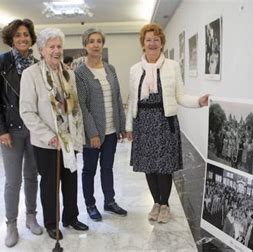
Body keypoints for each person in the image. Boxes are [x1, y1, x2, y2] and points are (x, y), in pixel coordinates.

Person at [126, 23, 209, 223]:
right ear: (143, 44)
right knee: (148, 166)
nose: (152, 43)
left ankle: (165, 205)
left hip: (165, 122)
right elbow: (131, 99)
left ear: (162, 43)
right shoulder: (135, 69)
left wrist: (198, 101)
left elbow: (180, 96)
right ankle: (156, 203)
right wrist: (129, 127)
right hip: (143, 123)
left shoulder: (172, 66)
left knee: (164, 166)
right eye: (148, 40)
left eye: (156, 39)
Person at [20, 27, 89, 240]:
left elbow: (74, 106)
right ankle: (52, 222)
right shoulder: (31, 74)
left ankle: (71, 216)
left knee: (70, 180)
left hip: (69, 139)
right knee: (50, 184)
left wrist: (75, 133)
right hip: (47, 142)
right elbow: (27, 112)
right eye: (51, 46)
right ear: (41, 49)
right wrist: (50, 136)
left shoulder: (68, 73)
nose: (56, 50)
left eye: (59, 46)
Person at [0, 18, 42, 247]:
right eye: (18, 35)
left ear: (31, 38)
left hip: (34, 130)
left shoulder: (37, 64)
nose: (22, 38)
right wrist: (0, 130)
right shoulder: (0, 62)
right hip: (11, 130)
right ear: (11, 38)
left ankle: (31, 216)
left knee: (32, 176)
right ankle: (11, 224)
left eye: (26, 35)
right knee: (13, 180)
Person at [75, 28, 128, 221]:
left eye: (99, 41)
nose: (96, 44)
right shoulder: (80, 72)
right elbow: (82, 106)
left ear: (102, 44)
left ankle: (109, 201)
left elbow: (117, 98)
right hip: (93, 133)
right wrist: (93, 133)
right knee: (89, 170)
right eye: (91, 41)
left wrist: (121, 126)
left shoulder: (110, 68)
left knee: (108, 168)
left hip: (112, 131)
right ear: (85, 46)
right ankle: (90, 204)